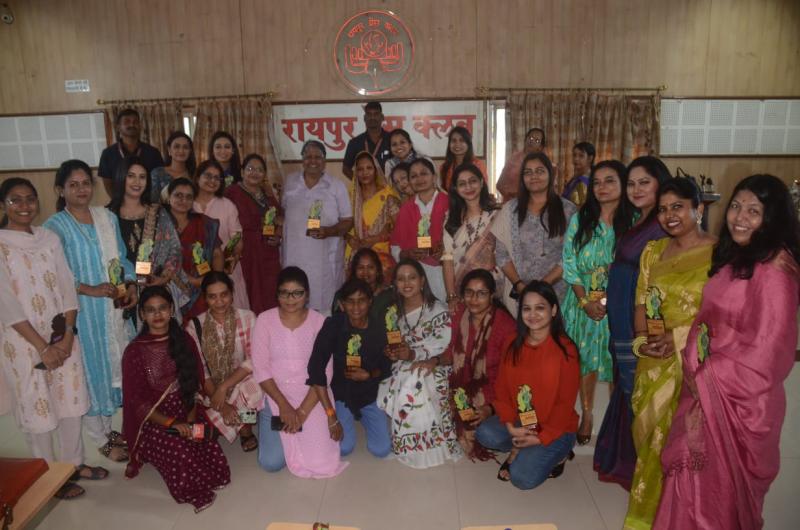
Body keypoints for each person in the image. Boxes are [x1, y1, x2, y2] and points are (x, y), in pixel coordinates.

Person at [655, 175, 800, 529]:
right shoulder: (738, 255)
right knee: (688, 488)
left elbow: (768, 353)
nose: (739, 217)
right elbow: (711, 321)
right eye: (736, 206)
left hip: (740, 405)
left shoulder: (776, 271)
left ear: (772, 218)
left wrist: (707, 374)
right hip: (704, 393)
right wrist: (694, 362)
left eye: (754, 211)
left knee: (716, 502)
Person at [0, 178, 105, 500]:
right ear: (3, 204)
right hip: (23, 342)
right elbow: (6, 302)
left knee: (71, 402)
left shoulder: (49, 238)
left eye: (30, 199)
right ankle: (44, 476)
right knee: (39, 406)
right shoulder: (1, 243)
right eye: (15, 200)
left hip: (62, 335)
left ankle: (73, 464)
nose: (25, 206)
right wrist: (42, 347)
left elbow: (66, 284)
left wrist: (68, 335)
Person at [624, 178, 716, 530]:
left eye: (677, 206)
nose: (668, 215)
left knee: (685, 445)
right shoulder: (653, 251)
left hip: (695, 363)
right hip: (654, 360)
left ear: (699, 208)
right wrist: (642, 340)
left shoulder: (720, 254)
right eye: (662, 209)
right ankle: (647, 516)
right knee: (650, 442)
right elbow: (641, 305)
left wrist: (679, 337)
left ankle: (681, 517)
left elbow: (720, 316)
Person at [44, 159, 137, 463]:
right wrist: (88, 288)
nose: (81, 189)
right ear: (60, 189)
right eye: (73, 184)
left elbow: (122, 258)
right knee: (90, 373)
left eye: (85, 183)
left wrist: (129, 284)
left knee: (115, 370)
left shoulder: (105, 218)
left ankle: (111, 430)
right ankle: (101, 437)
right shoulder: (54, 227)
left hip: (113, 312)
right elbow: (52, 274)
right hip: (80, 314)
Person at [593, 156, 671, 489]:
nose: (636, 189)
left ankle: (641, 467)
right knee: (628, 386)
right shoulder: (641, 220)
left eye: (645, 183)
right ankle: (626, 460)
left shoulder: (663, 225)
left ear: (660, 185)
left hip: (639, 321)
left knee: (637, 390)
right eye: (632, 183)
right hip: (622, 318)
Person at [122, 285, 230, 513]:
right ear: (142, 314)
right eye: (150, 310)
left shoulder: (184, 340)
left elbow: (191, 386)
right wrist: (172, 424)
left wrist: (190, 420)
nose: (157, 314)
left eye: (162, 308)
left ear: (171, 309)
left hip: (186, 411)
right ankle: (190, 491)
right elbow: (137, 403)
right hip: (156, 422)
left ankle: (192, 443)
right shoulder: (134, 351)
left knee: (203, 438)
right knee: (179, 448)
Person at [475, 280, 580, 490]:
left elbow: (564, 405)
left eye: (540, 307)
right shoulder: (513, 342)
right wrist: (510, 425)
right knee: (485, 434)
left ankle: (560, 453)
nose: (533, 314)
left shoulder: (566, 351)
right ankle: (519, 447)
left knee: (522, 479)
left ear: (553, 310)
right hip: (521, 419)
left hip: (554, 426)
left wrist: (540, 437)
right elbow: (502, 388)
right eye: (527, 308)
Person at [561, 160, 634, 446]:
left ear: (623, 183)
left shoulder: (634, 220)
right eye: (598, 182)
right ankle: (588, 413)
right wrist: (583, 303)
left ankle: (619, 418)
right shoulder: (581, 219)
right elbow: (569, 263)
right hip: (584, 303)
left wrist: (611, 299)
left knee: (618, 359)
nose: (602, 187)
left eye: (610, 180)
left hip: (619, 300)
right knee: (586, 359)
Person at [252, 266, 348, 478]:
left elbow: (325, 372)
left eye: (297, 293)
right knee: (271, 462)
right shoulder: (264, 320)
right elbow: (261, 369)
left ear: (307, 294)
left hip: (312, 395)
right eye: (284, 292)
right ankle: (269, 421)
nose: (290, 299)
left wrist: (302, 412)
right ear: (277, 294)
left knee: (322, 462)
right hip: (277, 395)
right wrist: (284, 406)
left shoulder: (319, 322)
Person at [376, 259, 462, 468]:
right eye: (401, 279)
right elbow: (395, 346)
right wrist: (393, 352)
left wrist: (415, 355)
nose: (407, 283)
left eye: (412, 277)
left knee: (415, 380)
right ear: (394, 284)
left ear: (422, 281)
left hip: (437, 363)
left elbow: (446, 346)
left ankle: (432, 447)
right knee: (406, 376)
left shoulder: (439, 309)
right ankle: (409, 446)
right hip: (404, 364)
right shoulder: (393, 314)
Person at [307, 279, 393, 458]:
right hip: (341, 394)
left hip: (370, 393)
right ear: (342, 304)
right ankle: (347, 415)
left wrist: (369, 374)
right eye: (350, 301)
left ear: (370, 302)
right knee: (344, 448)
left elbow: (386, 367)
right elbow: (315, 367)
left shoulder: (379, 328)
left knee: (381, 449)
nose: (356, 307)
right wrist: (330, 414)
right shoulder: (333, 325)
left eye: (361, 300)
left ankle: (363, 415)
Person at [186, 272, 263, 452]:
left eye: (224, 294)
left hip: (242, 379)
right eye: (212, 297)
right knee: (202, 426)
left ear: (232, 293)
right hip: (210, 387)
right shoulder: (195, 326)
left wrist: (224, 388)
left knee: (256, 389)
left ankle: (242, 429)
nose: (220, 302)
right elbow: (201, 371)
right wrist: (220, 399)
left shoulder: (248, 317)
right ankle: (236, 423)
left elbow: (254, 359)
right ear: (205, 298)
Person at [444, 269, 517, 461]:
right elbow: (450, 351)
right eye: (469, 292)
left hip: (498, 397)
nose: (474, 299)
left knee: (487, 435)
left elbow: (512, 380)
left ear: (492, 296)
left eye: (482, 293)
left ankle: (521, 442)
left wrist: (491, 408)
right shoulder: (459, 314)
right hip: (464, 389)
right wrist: (432, 362)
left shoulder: (506, 327)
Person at [492, 152, 577, 313]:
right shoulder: (510, 210)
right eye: (528, 172)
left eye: (539, 171)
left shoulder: (568, 210)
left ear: (550, 174)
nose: (534, 176)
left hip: (558, 294)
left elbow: (570, 257)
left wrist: (542, 287)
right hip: (521, 292)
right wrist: (519, 285)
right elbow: (502, 255)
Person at [107, 156, 187, 316]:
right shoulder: (107, 215)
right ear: (121, 177)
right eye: (131, 176)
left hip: (156, 290)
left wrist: (163, 278)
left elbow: (174, 249)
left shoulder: (157, 212)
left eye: (142, 177)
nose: (137, 182)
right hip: (120, 291)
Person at [281, 140, 353, 314]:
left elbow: (348, 221)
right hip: (294, 258)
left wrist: (329, 231)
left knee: (324, 310)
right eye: (308, 156)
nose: (312, 161)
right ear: (302, 160)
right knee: (294, 305)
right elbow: (282, 213)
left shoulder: (336, 186)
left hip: (324, 263)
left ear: (324, 161)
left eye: (317, 157)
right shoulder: (290, 182)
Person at [225, 153, 282, 314]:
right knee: (248, 294)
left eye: (259, 170)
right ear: (242, 172)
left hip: (268, 253)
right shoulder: (231, 193)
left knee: (269, 295)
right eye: (250, 168)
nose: (254, 173)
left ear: (264, 175)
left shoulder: (267, 194)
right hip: (245, 253)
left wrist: (278, 233)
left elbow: (280, 216)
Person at [442, 163, 501, 313]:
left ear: (481, 182)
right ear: (455, 188)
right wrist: (451, 295)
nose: (468, 187)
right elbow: (448, 260)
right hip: (463, 290)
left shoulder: (497, 215)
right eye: (462, 184)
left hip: (494, 288)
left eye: (473, 181)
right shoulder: (451, 219)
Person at [191, 160, 249, 310]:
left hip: (225, 270)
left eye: (217, 178)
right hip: (193, 272)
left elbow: (237, 238)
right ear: (197, 177)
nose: (212, 181)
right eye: (208, 176)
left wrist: (235, 257)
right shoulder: (187, 203)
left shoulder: (227, 205)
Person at [165, 178, 223, 322]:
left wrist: (214, 280)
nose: (183, 200)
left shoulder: (204, 223)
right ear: (169, 196)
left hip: (201, 291)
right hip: (169, 288)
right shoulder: (159, 224)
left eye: (188, 197)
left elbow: (216, 253)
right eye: (178, 195)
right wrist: (189, 280)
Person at [345, 151, 401, 278]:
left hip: (381, 255)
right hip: (354, 253)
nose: (365, 173)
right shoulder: (349, 196)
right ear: (355, 172)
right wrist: (349, 238)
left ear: (376, 170)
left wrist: (376, 239)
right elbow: (343, 225)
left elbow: (400, 229)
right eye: (360, 169)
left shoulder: (388, 195)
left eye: (369, 168)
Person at [98, 108, 164, 197]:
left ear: (140, 126)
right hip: (120, 204)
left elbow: (159, 179)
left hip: (147, 203)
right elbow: (108, 183)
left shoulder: (153, 152)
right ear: (118, 127)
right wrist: (118, 202)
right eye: (127, 122)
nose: (132, 124)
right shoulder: (108, 154)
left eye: (135, 122)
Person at [332, 247, 396, 321]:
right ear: (354, 270)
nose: (365, 272)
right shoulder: (342, 295)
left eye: (370, 267)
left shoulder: (389, 296)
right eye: (361, 267)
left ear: (378, 270)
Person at [342, 101, 393, 179]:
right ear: (365, 118)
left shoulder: (391, 139)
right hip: (366, 190)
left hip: (389, 188)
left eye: (376, 114)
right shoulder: (355, 142)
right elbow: (345, 169)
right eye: (369, 114)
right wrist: (360, 184)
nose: (372, 117)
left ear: (382, 117)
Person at [496, 127, 546, 202]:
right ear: (525, 139)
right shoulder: (513, 158)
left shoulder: (543, 164)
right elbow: (499, 185)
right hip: (511, 205)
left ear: (541, 147)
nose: (532, 142)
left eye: (537, 140)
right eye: (530, 138)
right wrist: (512, 196)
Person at [150, 131, 197, 204]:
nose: (181, 151)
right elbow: (152, 202)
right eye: (176, 147)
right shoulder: (158, 173)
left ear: (190, 151)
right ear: (169, 150)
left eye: (185, 147)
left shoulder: (195, 175)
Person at [439, 126, 487, 190]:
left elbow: (483, 189)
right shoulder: (445, 167)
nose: (457, 144)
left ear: (468, 144)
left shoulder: (477, 165)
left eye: (462, 140)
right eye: (453, 141)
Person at [562, 141, 595, 207]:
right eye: (574, 155)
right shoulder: (576, 177)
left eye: (581, 156)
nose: (576, 159)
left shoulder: (583, 182)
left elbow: (579, 209)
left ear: (590, 158)